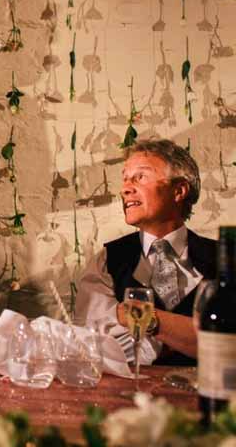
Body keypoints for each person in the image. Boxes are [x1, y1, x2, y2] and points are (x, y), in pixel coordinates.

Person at [75, 139, 215, 366]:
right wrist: (195, 337)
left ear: (178, 191)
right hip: (131, 398)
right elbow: (97, 348)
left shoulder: (226, 259)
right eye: (125, 178)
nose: (125, 188)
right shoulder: (107, 261)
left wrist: (139, 317)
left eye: (140, 177)